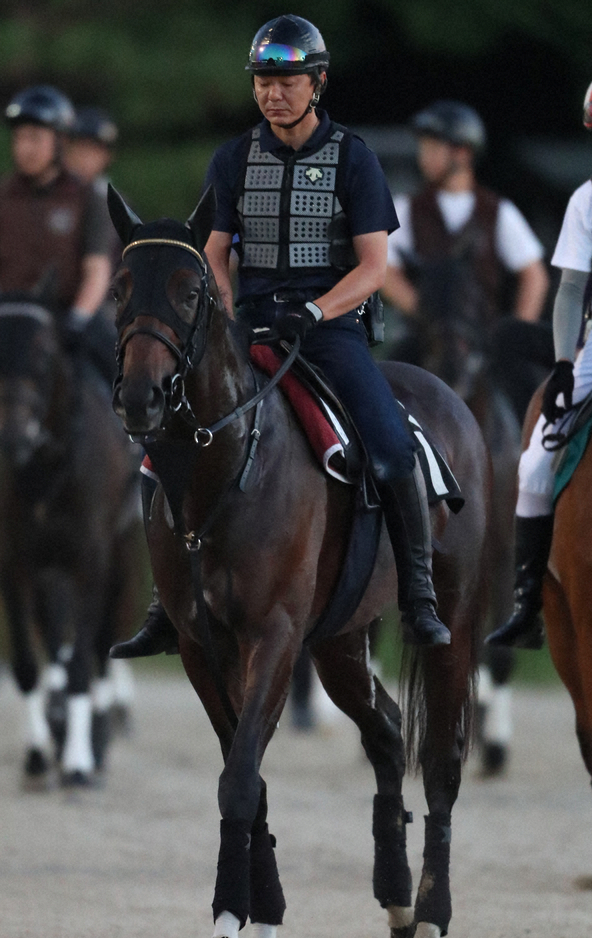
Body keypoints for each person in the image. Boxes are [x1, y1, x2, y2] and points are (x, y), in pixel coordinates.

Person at [111, 14, 452, 660]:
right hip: (248, 331)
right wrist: (222, 307)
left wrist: (318, 313)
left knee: (389, 445)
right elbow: (212, 253)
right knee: (162, 451)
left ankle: (420, 595)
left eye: (286, 80)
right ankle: (167, 604)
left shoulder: (354, 158)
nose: (273, 92)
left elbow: (374, 268)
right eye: (264, 81)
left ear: (316, 83)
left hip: (331, 334)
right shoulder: (233, 159)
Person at [486, 82, 592, 648]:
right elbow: (570, 289)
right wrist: (562, 364)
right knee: (532, 468)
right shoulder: (586, 201)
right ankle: (528, 603)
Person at [382, 100, 551, 423]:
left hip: (484, 340)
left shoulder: (497, 211)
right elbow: (385, 270)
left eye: (434, 148)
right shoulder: (408, 208)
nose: (424, 156)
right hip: (426, 340)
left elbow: (533, 274)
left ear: (462, 152)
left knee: (531, 406)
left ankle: (539, 459)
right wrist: (427, 313)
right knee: (383, 386)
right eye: (424, 148)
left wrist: (514, 328)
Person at [0, 85, 116, 384]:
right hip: (8, 317)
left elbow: (96, 270)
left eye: (35, 138)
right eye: (19, 138)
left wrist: (78, 318)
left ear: (60, 141)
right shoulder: (3, 196)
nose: (25, 148)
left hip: (67, 317)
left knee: (121, 373)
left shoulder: (87, 198)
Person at [63, 106, 118, 187]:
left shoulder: (110, 198)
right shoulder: (43, 190)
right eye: (81, 147)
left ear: (107, 157)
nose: (86, 158)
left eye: (95, 151)